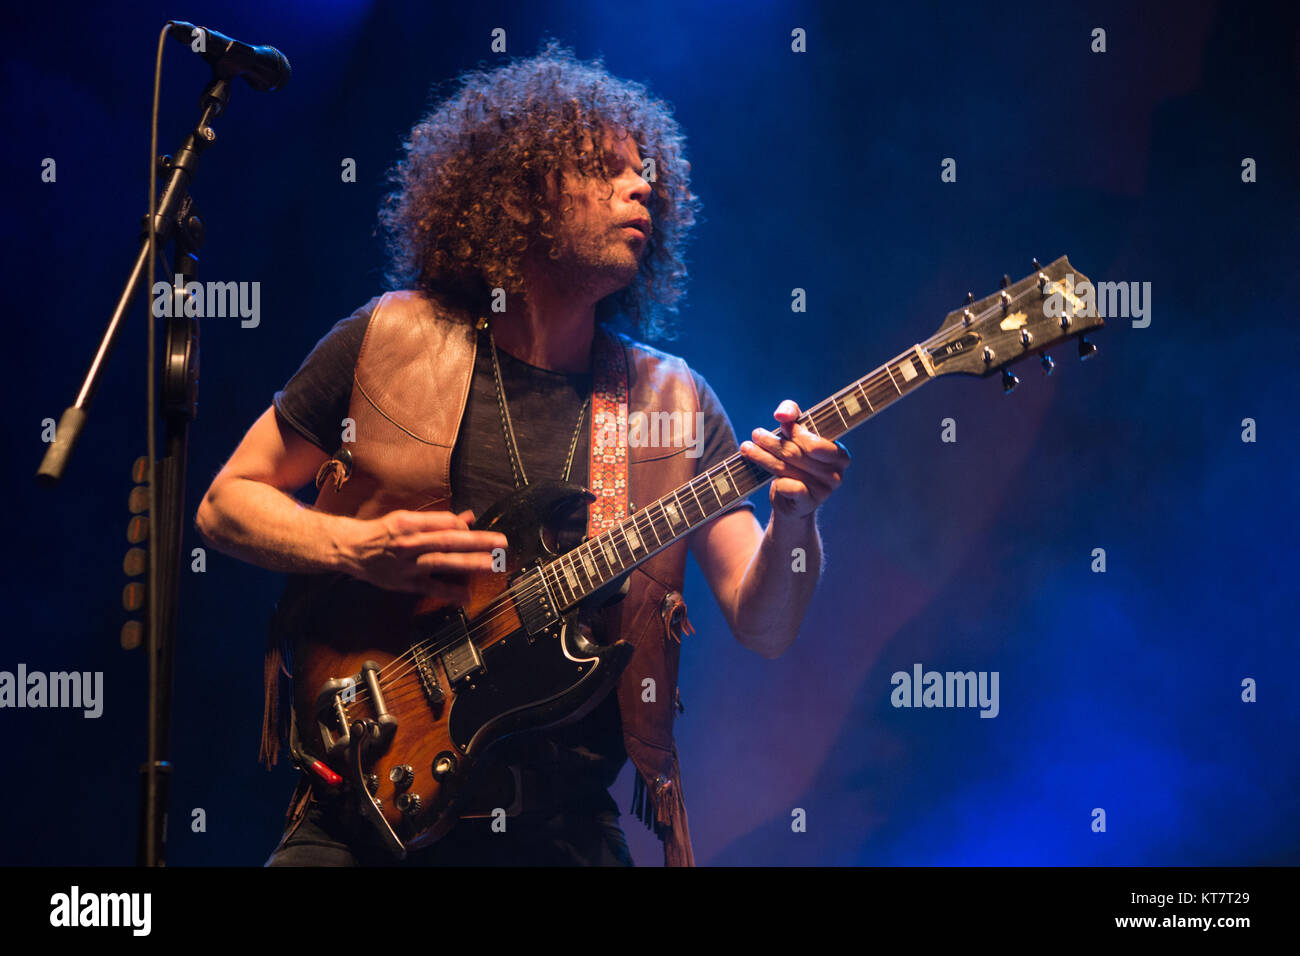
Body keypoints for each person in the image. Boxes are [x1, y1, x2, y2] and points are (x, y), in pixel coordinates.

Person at [194, 42, 849, 867]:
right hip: (362, 809)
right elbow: (225, 503)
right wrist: (357, 548)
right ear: (522, 193)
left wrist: (797, 519)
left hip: (562, 832)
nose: (641, 184)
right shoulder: (389, 340)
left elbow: (766, 624)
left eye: (646, 172)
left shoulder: (671, 403)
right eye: (606, 170)